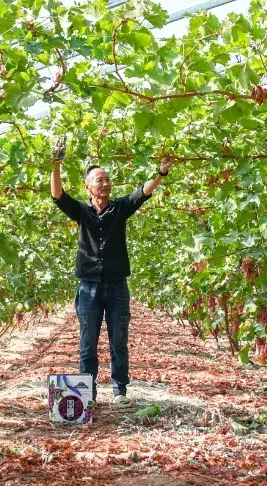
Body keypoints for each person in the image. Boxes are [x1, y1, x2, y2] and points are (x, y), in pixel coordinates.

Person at [50, 142, 172, 406]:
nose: (105, 183)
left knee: (118, 339)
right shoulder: (81, 211)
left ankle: (119, 390)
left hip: (117, 285)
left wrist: (160, 174)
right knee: (87, 341)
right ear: (88, 187)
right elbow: (58, 195)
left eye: (107, 179)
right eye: (99, 179)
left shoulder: (120, 208)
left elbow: (142, 193)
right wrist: (56, 164)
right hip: (89, 286)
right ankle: (86, 393)